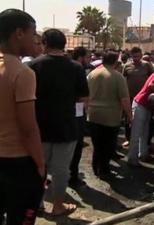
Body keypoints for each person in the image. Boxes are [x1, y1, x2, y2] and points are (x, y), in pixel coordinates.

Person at [28, 29, 89, 216]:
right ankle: (58, 206)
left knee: (38, 168)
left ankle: (36, 204)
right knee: (61, 171)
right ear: (64, 44)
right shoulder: (76, 68)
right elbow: (83, 98)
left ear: (45, 43)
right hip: (66, 127)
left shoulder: (32, 66)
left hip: (39, 128)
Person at [0, 9, 45, 225]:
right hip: (16, 163)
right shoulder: (22, 72)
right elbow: (28, 128)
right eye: (32, 32)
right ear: (19, 33)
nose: (35, 39)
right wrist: (40, 164)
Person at [87, 51, 131, 178]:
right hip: (110, 118)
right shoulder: (117, 77)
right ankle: (104, 171)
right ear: (115, 62)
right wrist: (129, 115)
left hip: (93, 115)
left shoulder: (92, 74)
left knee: (97, 145)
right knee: (107, 146)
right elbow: (124, 99)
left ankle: (96, 168)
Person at [122, 47, 154, 146]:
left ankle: (144, 141)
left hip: (144, 98)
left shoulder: (147, 65)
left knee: (145, 119)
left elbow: (152, 79)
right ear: (131, 56)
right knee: (129, 118)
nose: (136, 58)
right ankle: (128, 138)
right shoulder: (127, 66)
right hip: (130, 97)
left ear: (141, 55)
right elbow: (123, 80)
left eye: (138, 56)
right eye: (134, 56)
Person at [69, 47, 90, 187]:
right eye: (87, 56)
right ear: (81, 57)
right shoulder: (78, 69)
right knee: (76, 146)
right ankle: (73, 177)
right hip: (76, 112)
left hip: (65, 111)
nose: (89, 59)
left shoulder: (66, 66)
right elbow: (84, 95)